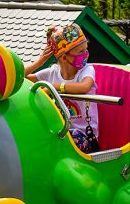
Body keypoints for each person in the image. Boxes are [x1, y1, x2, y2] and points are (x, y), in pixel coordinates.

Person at [25, 24, 100, 153]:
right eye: (81, 52)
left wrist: (54, 87)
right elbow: (22, 77)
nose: (86, 55)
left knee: (58, 144)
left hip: (84, 135)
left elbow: (84, 87)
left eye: (86, 50)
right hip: (61, 130)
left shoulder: (86, 70)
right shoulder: (52, 72)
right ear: (64, 57)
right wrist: (39, 62)